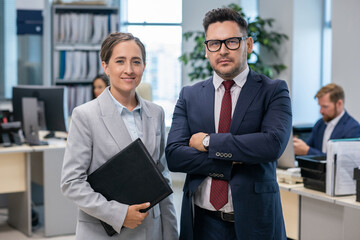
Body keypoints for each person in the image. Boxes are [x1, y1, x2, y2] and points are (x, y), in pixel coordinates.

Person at [165, 7, 291, 240]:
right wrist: (232, 161)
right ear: (206, 50)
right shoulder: (189, 95)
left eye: (232, 42)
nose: (222, 51)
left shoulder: (273, 91)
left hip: (256, 224)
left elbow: (271, 145)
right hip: (201, 223)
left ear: (249, 44)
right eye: (214, 43)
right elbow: (174, 155)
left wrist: (207, 141)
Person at [61, 32, 178, 239]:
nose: (129, 70)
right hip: (106, 230)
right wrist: (120, 214)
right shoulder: (85, 115)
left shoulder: (156, 112)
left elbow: (162, 177)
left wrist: (171, 233)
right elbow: (72, 183)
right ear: (105, 66)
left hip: (151, 229)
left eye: (136, 62)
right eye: (120, 61)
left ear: (144, 65)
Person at [293, 83, 360, 156]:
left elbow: (341, 160)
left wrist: (308, 151)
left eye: (325, 107)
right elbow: (307, 147)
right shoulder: (320, 124)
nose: (321, 111)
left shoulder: (353, 128)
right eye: (320, 106)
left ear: (339, 104)